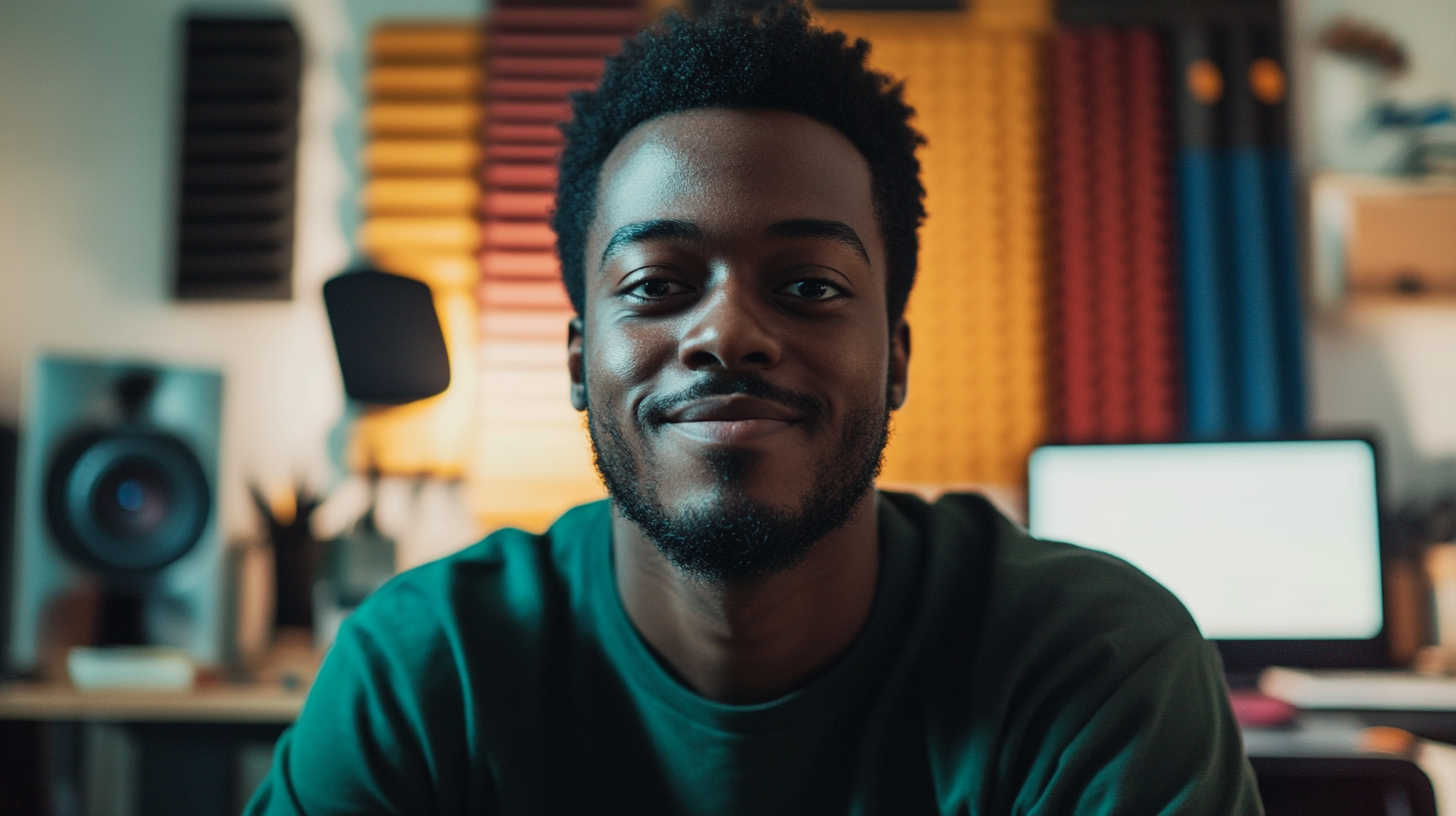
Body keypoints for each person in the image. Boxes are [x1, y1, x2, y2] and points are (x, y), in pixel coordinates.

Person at [247, 4, 1261, 814]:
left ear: (897, 357)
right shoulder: (426, 672)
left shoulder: (1093, 664)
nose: (727, 333)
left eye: (809, 285)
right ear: (573, 358)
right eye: (655, 284)